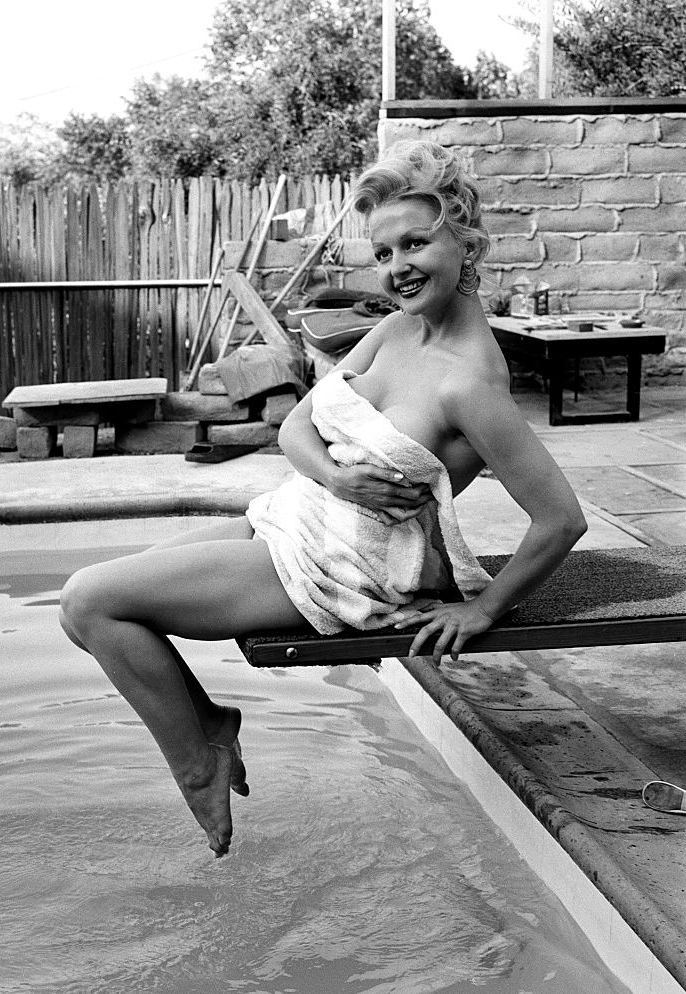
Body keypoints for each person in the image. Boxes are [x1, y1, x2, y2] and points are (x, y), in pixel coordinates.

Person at [59, 141, 587, 858]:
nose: (399, 265)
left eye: (417, 243)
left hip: (344, 568)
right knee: (91, 617)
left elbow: (561, 520)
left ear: (466, 242)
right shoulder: (397, 330)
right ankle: (208, 726)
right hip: (299, 517)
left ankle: (196, 763)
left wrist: (484, 607)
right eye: (384, 251)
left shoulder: (469, 383)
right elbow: (302, 422)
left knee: (91, 600)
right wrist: (334, 477)